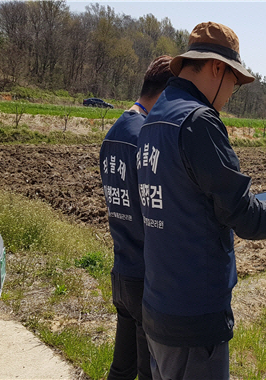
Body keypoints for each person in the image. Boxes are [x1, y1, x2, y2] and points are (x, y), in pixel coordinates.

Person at [136, 22, 266, 379]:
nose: (232, 92)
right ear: (217, 68)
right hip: (194, 314)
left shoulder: (155, 118)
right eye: (234, 80)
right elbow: (242, 214)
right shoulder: (198, 121)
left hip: (158, 303)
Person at [100, 55, 173, 380]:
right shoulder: (144, 138)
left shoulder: (115, 130)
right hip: (145, 278)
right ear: (166, 94)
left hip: (121, 269)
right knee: (148, 372)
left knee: (122, 367)